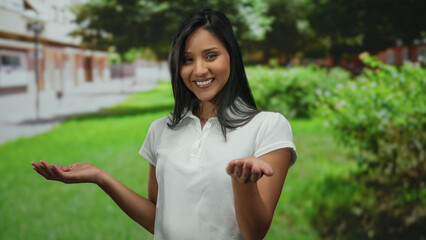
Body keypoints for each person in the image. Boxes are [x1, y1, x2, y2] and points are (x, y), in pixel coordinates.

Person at [31, 8, 297, 240]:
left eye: (211, 55)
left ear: (232, 57)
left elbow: (255, 233)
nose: (199, 70)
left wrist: (244, 183)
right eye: (187, 60)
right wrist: (101, 178)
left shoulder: (268, 126)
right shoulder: (162, 129)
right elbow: (158, 219)